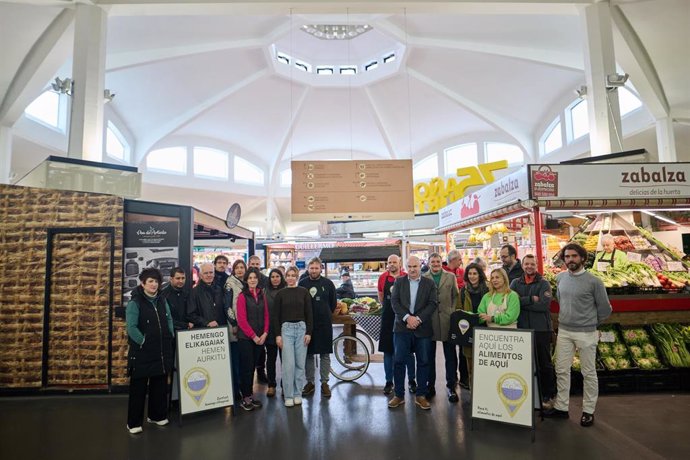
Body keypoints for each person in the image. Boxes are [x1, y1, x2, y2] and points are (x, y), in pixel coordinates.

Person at [545, 243, 612, 427]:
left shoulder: (594, 282)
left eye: (574, 256)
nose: (570, 260)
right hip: (565, 331)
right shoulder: (560, 278)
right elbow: (561, 300)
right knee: (561, 370)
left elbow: (606, 309)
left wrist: (592, 323)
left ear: (582, 258)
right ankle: (561, 407)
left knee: (588, 373)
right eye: (567, 257)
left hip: (587, 332)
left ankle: (588, 411)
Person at [125, 267, 174, 434]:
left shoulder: (162, 300)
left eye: (156, 281)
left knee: (159, 385)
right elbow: (131, 327)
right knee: (138, 388)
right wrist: (143, 341)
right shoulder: (135, 302)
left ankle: (156, 416)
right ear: (143, 283)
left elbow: (168, 319)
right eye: (150, 281)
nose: (154, 284)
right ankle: (133, 423)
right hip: (142, 352)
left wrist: (170, 333)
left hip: (161, 350)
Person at [388, 256, 438, 411]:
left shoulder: (429, 283)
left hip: (422, 329)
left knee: (423, 362)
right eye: (409, 266)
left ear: (420, 266)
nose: (412, 269)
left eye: (415, 266)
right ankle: (398, 395)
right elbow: (394, 302)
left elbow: (433, 303)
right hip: (402, 329)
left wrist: (417, 319)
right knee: (399, 362)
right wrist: (407, 318)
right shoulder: (399, 282)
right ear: (406, 267)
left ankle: (421, 396)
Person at [510, 254, 557, 409]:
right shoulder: (515, 283)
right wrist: (531, 299)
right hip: (522, 329)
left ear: (536, 265)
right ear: (522, 265)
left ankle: (548, 394)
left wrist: (521, 300)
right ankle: (527, 394)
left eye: (532, 264)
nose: (529, 266)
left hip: (541, 329)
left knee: (544, 363)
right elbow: (511, 302)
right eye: (526, 264)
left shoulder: (544, 284)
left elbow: (544, 306)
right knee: (524, 364)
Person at [273, 266, 313, 407]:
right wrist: (278, 335)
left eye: (293, 275)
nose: (290, 278)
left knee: (300, 365)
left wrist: (309, 332)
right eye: (288, 275)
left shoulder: (304, 292)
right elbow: (275, 316)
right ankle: (288, 395)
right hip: (286, 331)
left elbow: (309, 314)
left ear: (297, 276)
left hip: (302, 329)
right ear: (285, 277)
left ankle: (298, 393)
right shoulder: (281, 294)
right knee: (288, 365)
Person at [423, 252, 461, 403]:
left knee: (450, 355)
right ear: (429, 263)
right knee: (429, 356)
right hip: (429, 321)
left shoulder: (450, 277)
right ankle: (429, 386)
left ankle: (451, 386)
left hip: (447, 320)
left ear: (441, 262)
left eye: (438, 261)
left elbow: (456, 296)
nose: (436, 264)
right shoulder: (424, 278)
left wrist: (452, 311)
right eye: (433, 262)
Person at [378, 254, 416, 396]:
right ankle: (389, 381)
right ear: (387, 264)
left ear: (400, 263)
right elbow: (381, 296)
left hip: (404, 319)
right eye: (389, 262)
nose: (392, 264)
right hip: (388, 318)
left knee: (408, 352)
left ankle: (412, 380)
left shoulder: (407, 277)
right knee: (388, 352)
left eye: (394, 262)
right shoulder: (382, 278)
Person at [299, 257, 337, 398]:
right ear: (308, 268)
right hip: (307, 325)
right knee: (308, 354)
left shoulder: (328, 283)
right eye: (311, 268)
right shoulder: (302, 284)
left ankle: (324, 383)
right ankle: (310, 382)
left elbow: (333, 303)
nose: (314, 270)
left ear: (320, 268)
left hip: (324, 324)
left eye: (316, 268)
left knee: (325, 354)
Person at [236, 268, 270, 411]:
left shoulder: (262, 294)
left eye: (255, 277)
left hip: (260, 338)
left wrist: (265, 333)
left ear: (258, 279)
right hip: (246, 339)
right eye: (250, 278)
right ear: (246, 280)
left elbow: (267, 315)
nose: (252, 280)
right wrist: (254, 336)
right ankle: (246, 397)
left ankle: (250, 395)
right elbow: (241, 320)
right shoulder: (242, 296)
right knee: (247, 369)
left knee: (253, 369)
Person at [459, 262, 490, 387]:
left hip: (486, 329)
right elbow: (459, 308)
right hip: (469, 331)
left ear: (480, 274)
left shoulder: (488, 289)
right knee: (470, 363)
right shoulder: (464, 290)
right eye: (470, 274)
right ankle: (474, 390)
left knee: (485, 362)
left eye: (475, 273)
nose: (472, 276)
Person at [225, 259, 247, 402]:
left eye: (242, 267)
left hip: (245, 328)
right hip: (234, 328)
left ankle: (244, 389)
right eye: (237, 268)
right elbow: (227, 306)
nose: (239, 270)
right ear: (233, 269)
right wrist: (233, 323)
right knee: (235, 361)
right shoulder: (229, 284)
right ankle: (236, 389)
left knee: (243, 359)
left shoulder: (246, 283)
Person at [248, 254, 270, 384]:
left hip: (264, 318)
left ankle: (261, 373)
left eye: (257, 264)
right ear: (249, 265)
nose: (255, 267)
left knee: (262, 350)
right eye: (253, 264)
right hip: (250, 320)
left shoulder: (266, 280)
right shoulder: (246, 279)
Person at [265, 268, 286, 397]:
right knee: (271, 359)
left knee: (286, 360)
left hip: (285, 329)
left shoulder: (287, 290)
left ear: (281, 277)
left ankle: (286, 385)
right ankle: (271, 385)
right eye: (272, 276)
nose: (275, 278)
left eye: (277, 276)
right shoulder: (264, 291)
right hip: (270, 330)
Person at [161, 267, 193, 331]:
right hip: (170, 333)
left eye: (183, 278)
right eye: (178, 278)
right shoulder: (163, 295)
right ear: (171, 279)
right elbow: (165, 319)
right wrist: (184, 325)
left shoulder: (187, 293)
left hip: (186, 332)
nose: (181, 281)